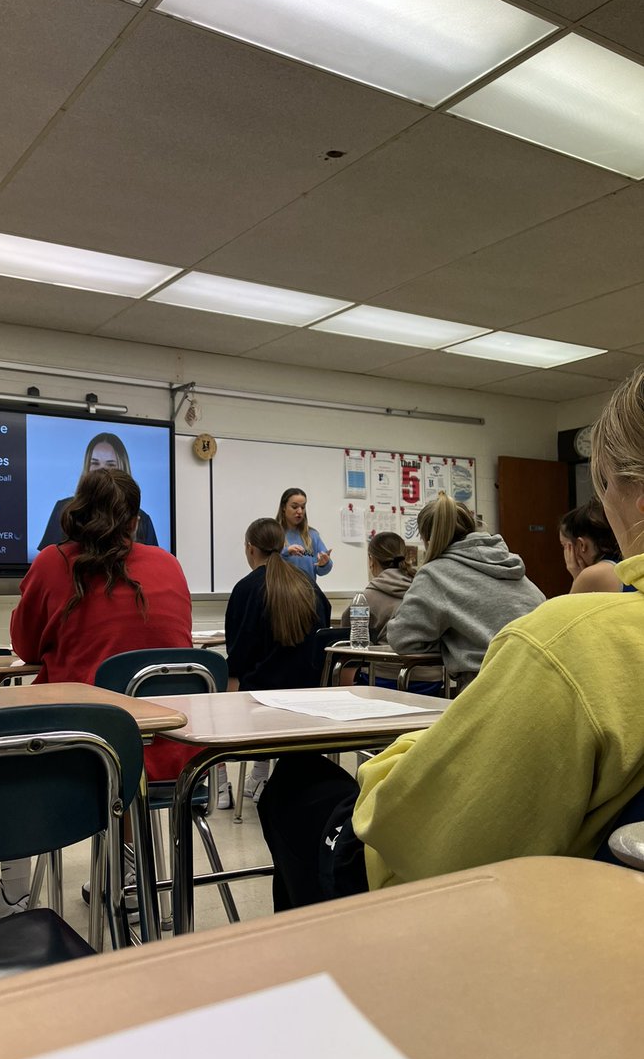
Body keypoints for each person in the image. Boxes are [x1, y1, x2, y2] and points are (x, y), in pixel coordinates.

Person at [257, 363, 644, 911]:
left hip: (487, 891)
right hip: (606, 905)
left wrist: (407, 753)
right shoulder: (521, 574)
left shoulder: (566, 642)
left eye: (602, 485)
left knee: (295, 786)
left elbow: (417, 832)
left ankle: (325, 975)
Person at [4, 467, 192, 914]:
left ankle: (13, 894)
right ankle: (126, 868)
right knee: (122, 726)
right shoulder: (168, 564)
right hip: (169, 750)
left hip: (77, 754)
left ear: (78, 510)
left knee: (1, 757)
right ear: (134, 520)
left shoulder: (53, 562)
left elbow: (25, 646)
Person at [386, 492, 544, 691]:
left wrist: (451, 646)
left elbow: (402, 638)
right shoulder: (509, 563)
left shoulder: (435, 574)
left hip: (490, 689)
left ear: (427, 539)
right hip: (544, 683)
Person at [222, 518, 330, 804]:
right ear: (282, 547)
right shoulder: (310, 587)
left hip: (260, 700)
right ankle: (260, 774)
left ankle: (220, 786)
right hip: (310, 699)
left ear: (250, 549)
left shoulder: (246, 590)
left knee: (207, 693)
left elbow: (238, 657)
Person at [339, 532, 441, 691]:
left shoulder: (366, 599)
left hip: (385, 680)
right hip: (432, 680)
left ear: (371, 560)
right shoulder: (422, 587)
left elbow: (346, 642)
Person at [37, 432, 158, 550]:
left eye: (110, 465)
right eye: (95, 463)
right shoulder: (64, 510)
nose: (102, 470)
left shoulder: (143, 520)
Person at [559, 499, 623, 593]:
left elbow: (569, 607)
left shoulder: (593, 575)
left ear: (581, 545)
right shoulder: (624, 561)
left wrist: (577, 578)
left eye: (564, 546)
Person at [276, 487, 332, 581]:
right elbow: (265, 563)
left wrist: (324, 563)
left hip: (308, 592)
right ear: (283, 507)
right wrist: (286, 552)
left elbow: (322, 570)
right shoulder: (274, 533)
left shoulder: (312, 535)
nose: (300, 511)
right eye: (294, 507)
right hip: (282, 593)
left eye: (302, 507)